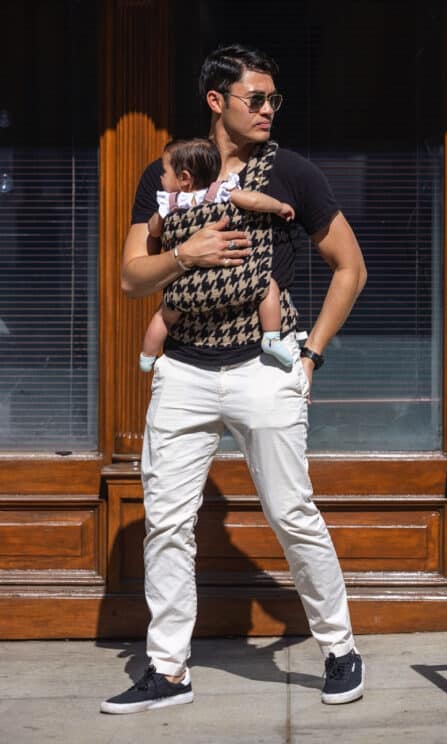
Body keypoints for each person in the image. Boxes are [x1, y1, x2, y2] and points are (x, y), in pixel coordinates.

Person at [101, 43, 368, 716]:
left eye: (275, 99)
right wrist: (183, 255)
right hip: (184, 370)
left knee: (291, 513)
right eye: (257, 99)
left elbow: (350, 269)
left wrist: (309, 356)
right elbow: (132, 276)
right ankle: (167, 671)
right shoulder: (169, 173)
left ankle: (338, 649)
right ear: (217, 101)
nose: (269, 110)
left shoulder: (293, 175)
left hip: (262, 367)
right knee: (166, 523)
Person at [140, 137, 296, 373]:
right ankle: (272, 337)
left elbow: (153, 229)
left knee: (163, 317)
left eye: (164, 172)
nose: (160, 177)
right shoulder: (221, 191)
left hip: (186, 288)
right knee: (269, 286)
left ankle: (147, 356)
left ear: (184, 178)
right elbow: (253, 200)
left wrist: (160, 221)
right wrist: (278, 207)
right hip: (234, 279)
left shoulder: (170, 203)